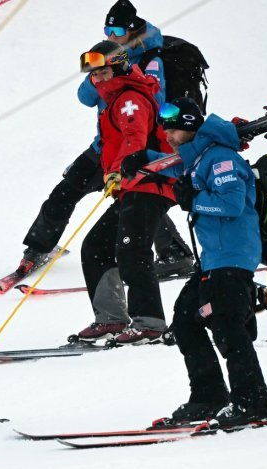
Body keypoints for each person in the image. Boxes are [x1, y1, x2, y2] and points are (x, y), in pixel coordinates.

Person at [17, 0, 192, 282]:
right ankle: (37, 249)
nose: (111, 35)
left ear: (133, 29)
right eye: (107, 29)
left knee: (139, 200)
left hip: (135, 150)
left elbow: (153, 103)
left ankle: (175, 254)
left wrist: (120, 74)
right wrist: (101, 69)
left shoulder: (151, 60)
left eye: (118, 29)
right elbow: (85, 98)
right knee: (67, 190)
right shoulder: (109, 56)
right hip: (104, 146)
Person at [122, 98, 267, 426]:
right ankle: (208, 397)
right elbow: (169, 165)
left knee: (227, 326)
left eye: (173, 129)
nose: (169, 136)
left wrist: (195, 200)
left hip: (232, 258)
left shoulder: (220, 158)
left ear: (190, 126)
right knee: (186, 319)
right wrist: (141, 159)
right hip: (213, 260)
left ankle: (253, 402)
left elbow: (232, 204)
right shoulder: (197, 157)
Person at [74, 40, 177, 345]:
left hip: (148, 183)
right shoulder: (116, 98)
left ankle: (149, 322)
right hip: (131, 186)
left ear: (118, 66)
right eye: (94, 76)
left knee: (133, 248)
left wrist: (120, 169)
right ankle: (111, 319)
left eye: (103, 73)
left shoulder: (130, 98)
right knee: (96, 245)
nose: (98, 80)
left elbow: (135, 137)